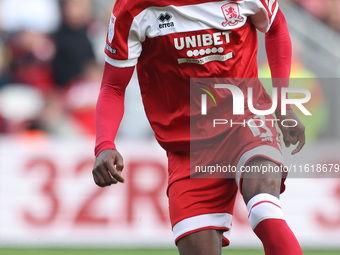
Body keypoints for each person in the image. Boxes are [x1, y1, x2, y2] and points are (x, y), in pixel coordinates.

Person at [92, 0, 305, 254]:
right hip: (188, 150)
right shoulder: (134, 8)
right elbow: (113, 87)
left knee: (264, 208)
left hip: (245, 119)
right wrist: (104, 144)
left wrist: (282, 103)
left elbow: (276, 25)